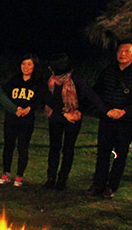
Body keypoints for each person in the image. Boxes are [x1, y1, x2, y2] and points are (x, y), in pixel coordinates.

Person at [89, 41, 132, 199]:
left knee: (120, 154)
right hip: (107, 117)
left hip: (127, 121)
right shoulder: (109, 71)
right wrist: (106, 110)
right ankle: (98, 183)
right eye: (120, 51)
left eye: (127, 51)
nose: (122, 54)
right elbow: (97, 92)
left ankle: (112, 186)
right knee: (103, 153)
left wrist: (126, 111)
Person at [43, 53, 107, 191]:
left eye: (52, 66)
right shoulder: (51, 80)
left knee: (68, 148)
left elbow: (91, 96)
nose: (49, 68)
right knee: (54, 147)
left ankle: (62, 179)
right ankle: (51, 177)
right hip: (56, 117)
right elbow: (49, 99)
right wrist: (62, 113)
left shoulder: (76, 79)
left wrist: (106, 111)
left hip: (73, 118)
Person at [0, 53, 46, 187]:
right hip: (12, 118)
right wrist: (14, 109)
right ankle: (6, 173)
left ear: (34, 66)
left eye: (29, 64)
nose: (26, 67)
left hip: (26, 120)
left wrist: (29, 108)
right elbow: (3, 94)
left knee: (23, 147)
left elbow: (40, 99)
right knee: (8, 145)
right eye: (23, 64)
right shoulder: (14, 80)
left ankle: (19, 176)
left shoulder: (38, 82)